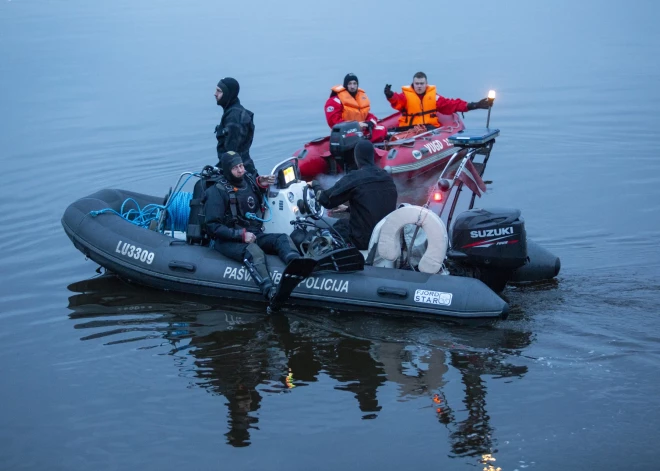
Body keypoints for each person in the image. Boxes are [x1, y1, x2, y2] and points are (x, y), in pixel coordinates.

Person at [204, 151, 300, 299]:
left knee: (282, 238)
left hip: (254, 233)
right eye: (236, 168)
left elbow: (251, 198)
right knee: (254, 252)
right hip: (228, 240)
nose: (241, 170)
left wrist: (260, 184)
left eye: (241, 165)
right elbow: (212, 226)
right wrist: (240, 235)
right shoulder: (216, 192)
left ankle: (295, 264)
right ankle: (269, 290)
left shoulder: (248, 180)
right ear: (227, 170)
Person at [310, 140, 398, 250]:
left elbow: (325, 201)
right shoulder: (387, 177)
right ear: (373, 156)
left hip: (364, 241)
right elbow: (377, 205)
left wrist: (315, 185)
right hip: (385, 238)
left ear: (356, 158)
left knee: (333, 229)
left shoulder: (355, 177)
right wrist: (348, 209)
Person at [384, 71, 491, 128]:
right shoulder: (405, 97)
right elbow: (397, 100)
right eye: (417, 84)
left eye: (422, 84)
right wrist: (390, 95)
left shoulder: (434, 98)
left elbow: (451, 105)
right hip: (409, 129)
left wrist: (475, 105)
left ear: (426, 84)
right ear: (413, 84)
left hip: (429, 130)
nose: (419, 86)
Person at [214, 77, 258, 176]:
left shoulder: (234, 118)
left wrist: (223, 171)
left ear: (228, 94)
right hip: (241, 165)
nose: (215, 94)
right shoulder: (233, 112)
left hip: (238, 169)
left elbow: (232, 153)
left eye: (219, 91)